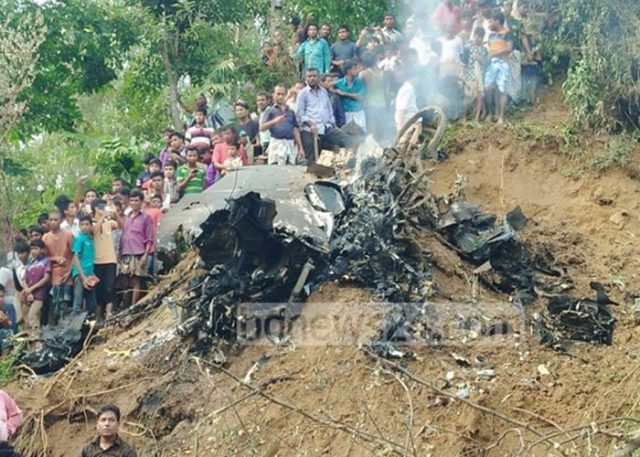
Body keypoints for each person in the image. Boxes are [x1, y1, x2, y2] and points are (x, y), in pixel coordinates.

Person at [297, 68, 352, 163]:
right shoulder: (303, 94)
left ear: (318, 78)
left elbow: (329, 110)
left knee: (347, 140)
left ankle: (349, 163)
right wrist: (311, 124)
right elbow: (300, 113)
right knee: (311, 156)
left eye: (314, 76)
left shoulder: (323, 92)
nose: (312, 78)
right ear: (306, 78)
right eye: (309, 76)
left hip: (325, 127)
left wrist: (334, 125)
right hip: (309, 130)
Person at [119, 189, 153, 306]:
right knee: (124, 281)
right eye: (132, 200)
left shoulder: (145, 218)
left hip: (138, 252)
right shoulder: (126, 217)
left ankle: (133, 307)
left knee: (136, 280)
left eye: (136, 200)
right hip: (125, 252)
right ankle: (125, 304)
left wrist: (145, 255)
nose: (134, 203)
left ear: (142, 202)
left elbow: (149, 238)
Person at [42, 210, 74, 320]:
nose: (53, 222)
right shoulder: (45, 237)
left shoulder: (68, 235)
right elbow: (43, 258)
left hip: (67, 274)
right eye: (51, 220)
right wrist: (55, 258)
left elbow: (75, 255)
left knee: (65, 302)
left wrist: (70, 272)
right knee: (53, 303)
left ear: (61, 221)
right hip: (53, 275)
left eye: (56, 220)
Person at [92, 200, 120, 321]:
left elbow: (120, 224)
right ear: (96, 209)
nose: (104, 209)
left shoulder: (109, 223)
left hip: (110, 260)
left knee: (110, 287)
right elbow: (94, 232)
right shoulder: (91, 223)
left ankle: (109, 313)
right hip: (97, 260)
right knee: (98, 288)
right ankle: (98, 315)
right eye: (101, 207)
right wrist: (102, 216)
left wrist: (114, 212)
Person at [262, 85, 303, 165]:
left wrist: (300, 148)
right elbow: (262, 127)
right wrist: (274, 121)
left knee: (290, 168)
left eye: (282, 94)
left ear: (285, 95)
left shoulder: (291, 112)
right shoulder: (270, 111)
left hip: (289, 143)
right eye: (278, 94)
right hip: (276, 143)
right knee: (275, 168)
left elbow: (295, 130)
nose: (280, 96)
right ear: (274, 95)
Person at [485, 9, 513, 124]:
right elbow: (490, 50)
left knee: (502, 90)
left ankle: (501, 117)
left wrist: (494, 54)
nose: (489, 23)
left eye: (491, 21)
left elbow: (509, 48)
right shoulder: (491, 35)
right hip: (492, 64)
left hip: (503, 64)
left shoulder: (507, 33)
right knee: (487, 88)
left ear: (497, 21)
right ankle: (491, 114)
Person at [22, 239, 51, 336]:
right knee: (25, 316)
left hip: (39, 295)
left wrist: (31, 289)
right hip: (27, 295)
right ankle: (28, 342)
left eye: (36, 248)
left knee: (33, 316)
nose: (33, 251)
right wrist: (28, 291)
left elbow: (46, 278)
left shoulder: (46, 262)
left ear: (42, 250)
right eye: (31, 249)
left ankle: (36, 339)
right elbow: (23, 279)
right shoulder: (30, 263)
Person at [71, 215, 97, 317]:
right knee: (78, 299)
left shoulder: (90, 239)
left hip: (90, 274)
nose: (84, 227)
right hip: (80, 273)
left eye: (87, 224)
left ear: (91, 225)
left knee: (91, 301)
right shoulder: (79, 239)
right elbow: (75, 257)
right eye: (82, 224)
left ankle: (89, 323)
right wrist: (82, 276)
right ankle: (73, 324)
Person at [360, 51, 388, 143]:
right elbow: (387, 90)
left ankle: (372, 151)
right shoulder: (383, 73)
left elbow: (361, 90)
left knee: (371, 131)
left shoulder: (363, 74)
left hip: (369, 105)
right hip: (382, 104)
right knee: (381, 130)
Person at [462, 27, 489, 121]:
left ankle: (476, 118)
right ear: (474, 35)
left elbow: (486, 63)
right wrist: (463, 74)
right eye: (477, 36)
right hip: (469, 75)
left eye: (481, 37)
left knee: (479, 97)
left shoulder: (484, 50)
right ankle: (464, 117)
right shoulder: (467, 47)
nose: (478, 39)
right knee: (468, 96)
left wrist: (480, 58)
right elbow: (464, 62)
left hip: (480, 76)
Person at [334, 60, 367, 133]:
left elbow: (361, 97)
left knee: (361, 134)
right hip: (346, 113)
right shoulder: (339, 83)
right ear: (348, 70)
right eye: (355, 68)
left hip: (358, 112)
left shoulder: (360, 81)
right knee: (347, 135)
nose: (358, 71)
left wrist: (344, 94)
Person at [256, 92, 272, 156]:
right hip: (263, 144)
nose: (260, 102)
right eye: (258, 100)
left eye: (263, 100)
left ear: (268, 101)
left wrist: (270, 146)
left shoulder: (270, 112)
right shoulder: (261, 113)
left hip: (270, 144)